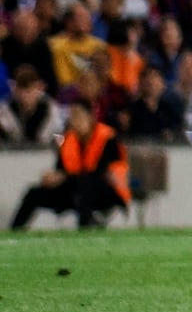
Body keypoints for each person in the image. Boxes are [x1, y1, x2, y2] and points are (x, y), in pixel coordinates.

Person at [13, 96, 128, 230]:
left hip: (106, 192)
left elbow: (101, 173)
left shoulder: (108, 138)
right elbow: (62, 168)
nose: (74, 121)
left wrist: (65, 176)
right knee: (33, 193)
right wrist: (54, 178)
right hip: (74, 189)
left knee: (86, 185)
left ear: (91, 117)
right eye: (71, 116)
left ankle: (85, 229)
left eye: (78, 115)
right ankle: (15, 231)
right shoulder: (67, 140)